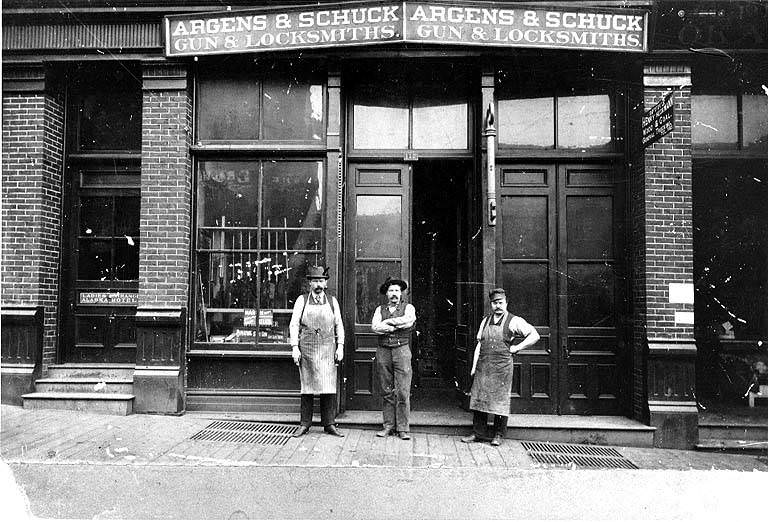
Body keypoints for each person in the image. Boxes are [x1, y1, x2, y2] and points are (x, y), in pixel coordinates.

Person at [461, 288, 540, 446]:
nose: (497, 306)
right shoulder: (485, 321)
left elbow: (535, 335)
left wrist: (516, 348)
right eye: (494, 303)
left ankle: (499, 434)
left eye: (500, 303)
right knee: (479, 398)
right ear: (491, 304)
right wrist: (473, 366)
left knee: (500, 400)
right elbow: (480, 344)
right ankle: (478, 433)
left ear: (506, 303)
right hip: (483, 366)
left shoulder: (514, 320)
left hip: (502, 367)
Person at [289, 266, 345, 437]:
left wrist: (340, 346)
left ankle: (329, 424)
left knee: (328, 385)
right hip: (307, 347)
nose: (318, 284)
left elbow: (339, 325)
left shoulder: (332, 301)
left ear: (326, 283)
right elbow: (294, 324)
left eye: (321, 281)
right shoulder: (302, 300)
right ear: (310, 283)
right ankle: (304, 424)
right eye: (315, 281)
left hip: (328, 347)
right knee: (307, 386)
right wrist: (294, 347)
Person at [371, 277, 416, 440]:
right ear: (386, 293)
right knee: (386, 390)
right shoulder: (379, 309)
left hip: (402, 351)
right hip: (383, 352)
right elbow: (375, 327)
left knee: (403, 391)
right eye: (391, 291)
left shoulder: (408, 307)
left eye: (397, 290)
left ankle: (403, 428)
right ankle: (388, 426)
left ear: (401, 292)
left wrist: (388, 322)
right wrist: (395, 325)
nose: (394, 294)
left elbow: (408, 321)